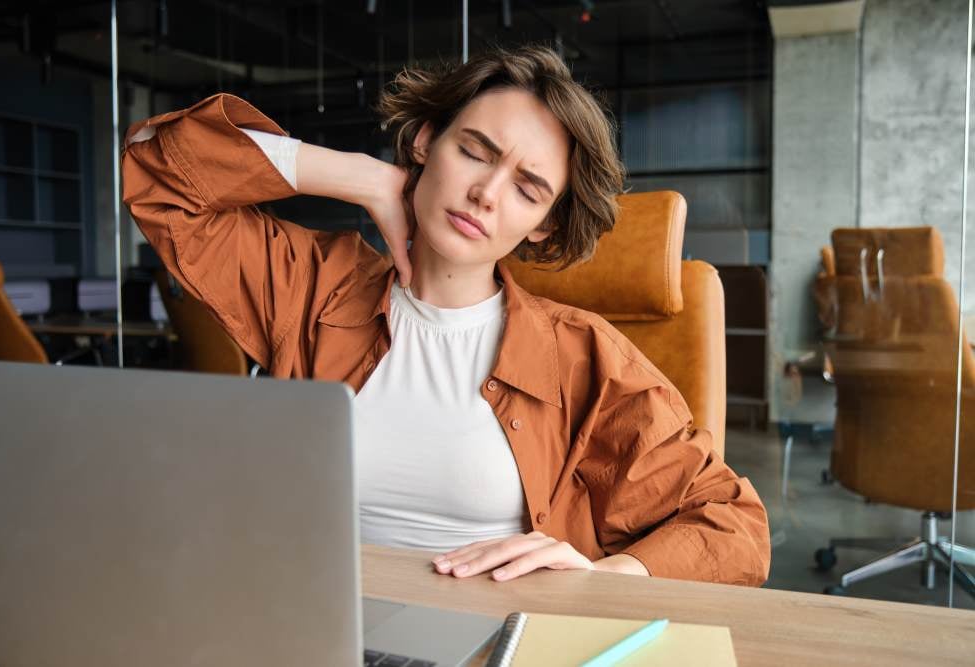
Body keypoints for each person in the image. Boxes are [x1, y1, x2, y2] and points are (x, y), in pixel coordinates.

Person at [122, 45, 770, 586]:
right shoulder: (313, 288)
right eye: (475, 150)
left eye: (527, 186)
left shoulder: (584, 359)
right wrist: (366, 178)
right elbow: (155, 162)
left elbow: (735, 525)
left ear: (543, 225)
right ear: (428, 141)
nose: (486, 193)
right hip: (313, 625)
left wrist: (608, 576)